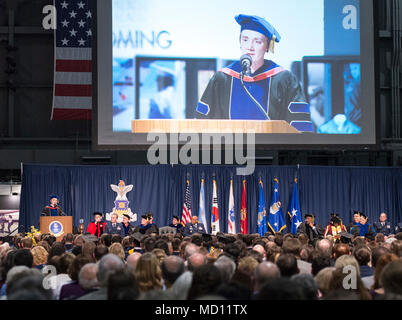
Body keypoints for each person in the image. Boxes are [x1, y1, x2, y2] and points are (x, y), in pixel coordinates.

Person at [195, 14, 312, 132]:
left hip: (272, 149)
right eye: (245, 40)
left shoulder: (284, 79)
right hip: (231, 149)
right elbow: (204, 123)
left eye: (257, 41)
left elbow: (299, 128)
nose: (250, 47)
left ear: (267, 47)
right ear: (239, 42)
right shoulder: (222, 79)